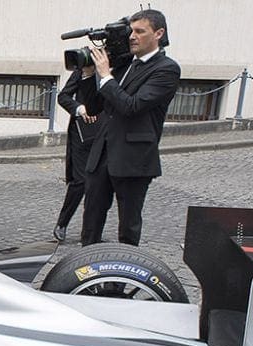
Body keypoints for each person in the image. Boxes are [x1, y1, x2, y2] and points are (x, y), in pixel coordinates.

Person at [78, 9, 180, 246]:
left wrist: (106, 76)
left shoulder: (166, 69)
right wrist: (89, 74)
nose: (132, 37)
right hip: (102, 155)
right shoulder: (124, 65)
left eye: (140, 31)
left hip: (134, 159)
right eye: (131, 31)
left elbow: (131, 106)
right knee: (91, 220)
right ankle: (86, 265)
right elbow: (94, 107)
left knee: (128, 226)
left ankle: (124, 269)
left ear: (158, 33)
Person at [52, 67, 101, 241]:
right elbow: (63, 96)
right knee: (80, 180)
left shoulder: (120, 68)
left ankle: (90, 231)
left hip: (105, 131)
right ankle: (62, 223)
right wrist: (80, 108)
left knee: (99, 184)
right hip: (82, 133)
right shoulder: (84, 69)